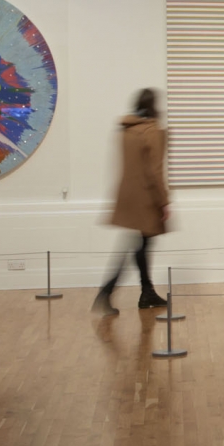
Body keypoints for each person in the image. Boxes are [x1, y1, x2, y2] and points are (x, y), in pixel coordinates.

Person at [94, 88, 171, 314]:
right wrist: (164, 202)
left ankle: (146, 293)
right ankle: (107, 292)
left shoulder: (126, 130)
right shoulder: (151, 131)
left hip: (128, 195)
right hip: (146, 197)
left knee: (140, 245)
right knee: (137, 246)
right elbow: (155, 171)